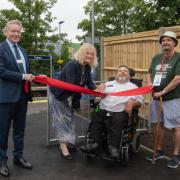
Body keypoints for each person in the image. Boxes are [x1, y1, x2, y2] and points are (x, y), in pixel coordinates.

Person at [80, 65, 144, 159]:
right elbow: (96, 92)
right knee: (95, 115)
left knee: (117, 122)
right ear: (116, 74)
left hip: (119, 111)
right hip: (101, 108)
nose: (122, 72)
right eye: (120, 71)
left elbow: (141, 101)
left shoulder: (133, 87)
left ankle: (113, 148)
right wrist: (98, 91)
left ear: (129, 76)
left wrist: (132, 104)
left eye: (125, 71)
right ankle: (93, 144)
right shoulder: (108, 83)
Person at [49, 43, 98, 160]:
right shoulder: (72, 64)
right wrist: (88, 91)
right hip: (58, 95)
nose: (90, 56)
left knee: (69, 119)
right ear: (81, 53)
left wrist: (98, 90)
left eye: (92, 54)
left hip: (69, 97)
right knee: (61, 121)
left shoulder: (87, 67)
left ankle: (69, 143)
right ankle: (63, 148)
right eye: (87, 53)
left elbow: (89, 82)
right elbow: (72, 85)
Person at [0, 20, 35, 177]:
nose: (16, 34)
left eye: (18, 32)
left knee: (19, 131)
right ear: (5, 32)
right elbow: (2, 71)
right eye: (13, 31)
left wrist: (33, 76)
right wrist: (23, 76)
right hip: (5, 98)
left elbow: (26, 70)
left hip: (22, 96)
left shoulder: (22, 50)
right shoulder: (1, 49)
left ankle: (18, 157)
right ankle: (2, 161)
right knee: (3, 131)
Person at [146, 31, 180, 169]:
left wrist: (163, 91)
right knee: (159, 124)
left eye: (169, 40)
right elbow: (149, 73)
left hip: (172, 98)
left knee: (176, 127)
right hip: (156, 98)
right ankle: (159, 150)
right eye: (164, 40)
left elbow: (178, 78)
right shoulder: (156, 58)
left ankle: (176, 155)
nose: (166, 42)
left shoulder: (178, 58)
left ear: (174, 43)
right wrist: (150, 85)